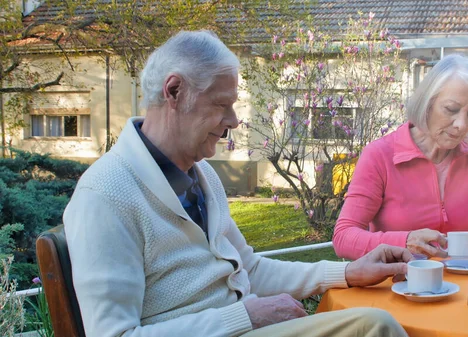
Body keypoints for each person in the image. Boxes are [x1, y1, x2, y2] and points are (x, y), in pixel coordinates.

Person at [62, 30, 412, 337]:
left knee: (377, 322)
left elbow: (251, 269)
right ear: (174, 91)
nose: (233, 120)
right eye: (221, 104)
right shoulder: (105, 195)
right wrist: (243, 316)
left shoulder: (203, 175)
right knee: (373, 328)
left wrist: (350, 271)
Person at [332, 54, 468, 261]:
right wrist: (405, 241)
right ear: (427, 103)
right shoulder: (380, 155)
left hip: (457, 287)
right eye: (451, 109)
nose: (461, 124)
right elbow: (343, 238)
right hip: (394, 286)